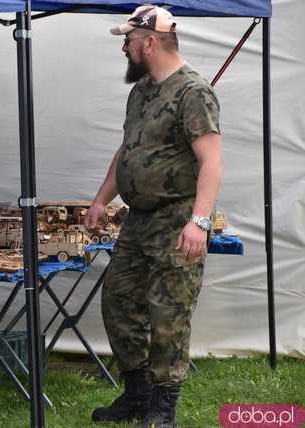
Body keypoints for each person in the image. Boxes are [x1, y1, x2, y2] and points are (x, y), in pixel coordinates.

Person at [85, 6, 222, 428]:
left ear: (149, 42)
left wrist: (199, 222)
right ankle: (138, 395)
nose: (124, 48)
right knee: (119, 303)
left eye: (127, 41)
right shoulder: (141, 91)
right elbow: (128, 149)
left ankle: (163, 411)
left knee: (168, 316)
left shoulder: (193, 92)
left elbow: (212, 162)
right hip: (138, 219)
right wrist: (101, 199)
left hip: (176, 219)